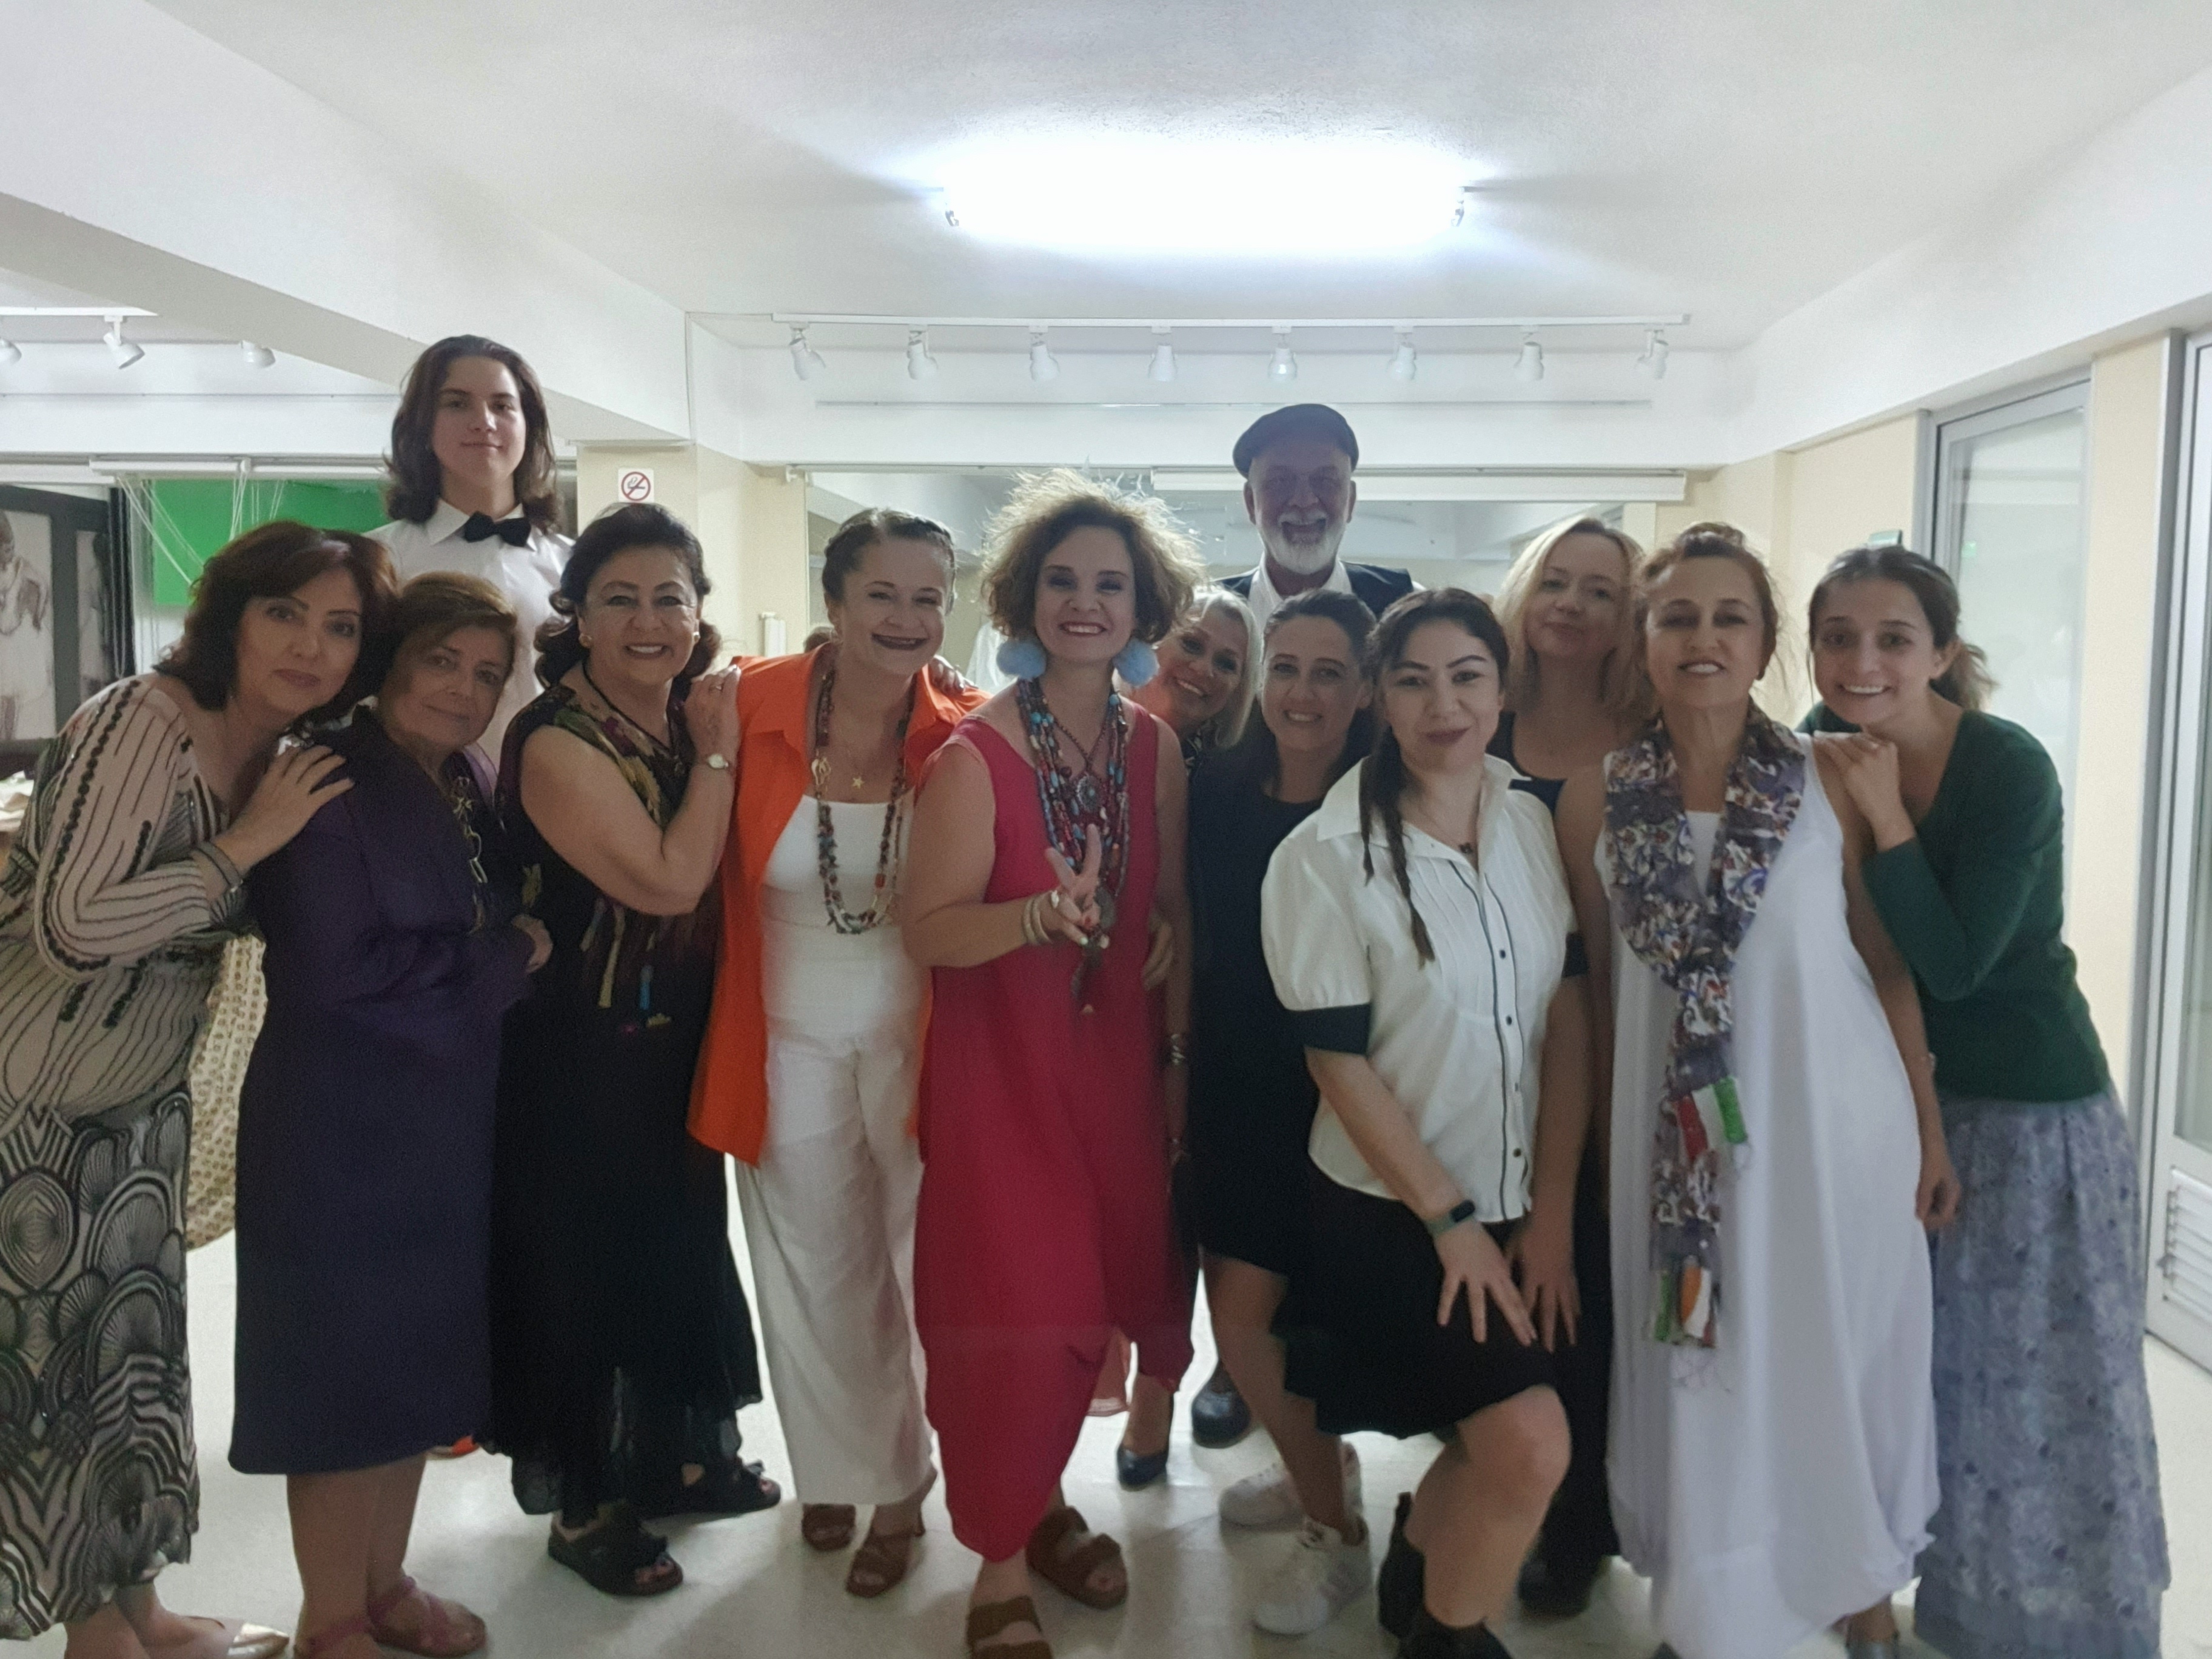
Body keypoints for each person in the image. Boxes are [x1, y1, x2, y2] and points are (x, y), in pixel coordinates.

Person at [1553, 524, 1957, 1659]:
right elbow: (1599, 998)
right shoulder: (1593, 798)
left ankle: (1857, 1583)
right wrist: (1598, 1163)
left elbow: (1884, 962)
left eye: (1730, 616)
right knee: (1702, 1358)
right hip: (1672, 1155)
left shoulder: (1834, 776)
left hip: (1832, 1132)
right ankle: (1711, 1596)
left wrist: (1928, 1131)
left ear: (1767, 642)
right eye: (1677, 615)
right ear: (1642, 638)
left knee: (1829, 1346)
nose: (1704, 638)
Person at [0, 521, 394, 1659]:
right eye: (285, 614)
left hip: (134, 1106)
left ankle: (141, 1607)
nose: (311, 647)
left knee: (130, 1366)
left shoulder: (272, 752)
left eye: (340, 628)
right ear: (230, 615)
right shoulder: (146, 719)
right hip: (32, 1103)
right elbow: (75, 927)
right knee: (52, 1376)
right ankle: (95, 1632)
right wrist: (248, 844)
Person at [1805, 545, 2168, 1659]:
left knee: (2035, 1391)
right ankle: (1913, 1599)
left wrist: (1885, 818)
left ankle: (2050, 1629)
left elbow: (1955, 965)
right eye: (1837, 638)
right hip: (1892, 1103)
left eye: (1893, 639)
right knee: (1916, 1375)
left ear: (1942, 653)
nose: (1861, 662)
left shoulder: (2007, 768)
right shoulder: (1820, 750)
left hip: (2028, 1112)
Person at [902, 471, 1200, 1659]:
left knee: (1096, 1308)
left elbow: (1169, 905)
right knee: (1017, 1320)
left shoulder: (1155, 748)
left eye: (1110, 584)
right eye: (1063, 580)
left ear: (1141, 607)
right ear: (1026, 599)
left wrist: (1164, 948)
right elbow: (927, 930)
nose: (1086, 602)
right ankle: (997, 1564)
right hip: (1003, 1086)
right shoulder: (973, 757)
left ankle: (1043, 1503)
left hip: (1117, 1079)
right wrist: (1031, 917)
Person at [1262, 588, 1586, 1659]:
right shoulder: (1323, 854)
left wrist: (1548, 1213)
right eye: (1413, 681)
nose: (1443, 704)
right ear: (1378, 699)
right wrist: (1450, 1223)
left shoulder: (1527, 818)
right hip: (1391, 1207)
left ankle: (1418, 1561)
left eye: (1466, 677)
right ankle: (1447, 1639)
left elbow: (1565, 1017)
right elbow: (1336, 1060)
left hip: (1516, 1194)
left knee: (1511, 1431)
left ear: (1503, 689)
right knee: (1530, 1446)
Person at [230, 574, 549, 1659]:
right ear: (391, 663)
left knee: (416, 1359)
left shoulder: (459, 774)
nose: (463, 691)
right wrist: (508, 958)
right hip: (339, 1125)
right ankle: (331, 1621)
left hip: (441, 1120)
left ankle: (384, 1585)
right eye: (441, 662)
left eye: (487, 675)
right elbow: (338, 979)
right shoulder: (325, 778)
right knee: (343, 1374)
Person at [688, 508, 984, 1595]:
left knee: (917, 1262)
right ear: (835, 601)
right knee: (814, 1267)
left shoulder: (967, 729)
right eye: (882, 595)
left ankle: (902, 1486)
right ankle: (846, 1466)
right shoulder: (742, 704)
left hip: (922, 1035)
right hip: (779, 1035)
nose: (905, 619)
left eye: (927, 598)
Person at [486, 502, 777, 1597]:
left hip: (673, 1039)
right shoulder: (560, 737)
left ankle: (676, 1458)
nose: (649, 621)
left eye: (670, 598)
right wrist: (720, 754)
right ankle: (584, 1503)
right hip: (579, 1052)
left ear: (699, 612)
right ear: (577, 612)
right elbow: (667, 878)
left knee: (676, 1247)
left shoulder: (678, 718)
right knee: (586, 1268)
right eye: (621, 599)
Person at [1187, 588, 1378, 1634]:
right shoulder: (1216, 787)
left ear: (1364, 691)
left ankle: (1334, 1531)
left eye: (1329, 673)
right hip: (1232, 1081)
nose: (1302, 692)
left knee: (1275, 1316)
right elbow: (1187, 930)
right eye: (1287, 668)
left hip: (1342, 1088)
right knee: (1246, 1312)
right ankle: (1323, 1479)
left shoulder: (1383, 803)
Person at [1485, 515, 1648, 1617]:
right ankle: (1491, 1494)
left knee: (1583, 1287)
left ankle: (1581, 1521)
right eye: (1557, 581)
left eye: (1601, 591)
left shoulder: (1650, 737)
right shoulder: (1473, 712)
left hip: (1613, 1046)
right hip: (1481, 1058)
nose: (1574, 606)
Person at [375, 334, 570, 759]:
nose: (484, 422)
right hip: (411, 787)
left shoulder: (575, 567)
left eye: (502, 406)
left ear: (528, 425)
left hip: (553, 790)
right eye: (457, 403)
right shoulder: (379, 559)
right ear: (422, 423)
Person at [1219, 403, 1414, 633]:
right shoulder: (1204, 616)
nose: (1304, 501)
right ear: (1251, 502)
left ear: (1350, 500)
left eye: (1325, 481)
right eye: (1280, 482)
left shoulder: (1407, 610)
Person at [1128, 585, 1259, 764]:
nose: (1203, 669)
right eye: (1191, 644)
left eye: (1226, 664)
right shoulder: (1094, 722)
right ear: (1154, 638)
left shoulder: (1227, 774)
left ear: (1239, 691)